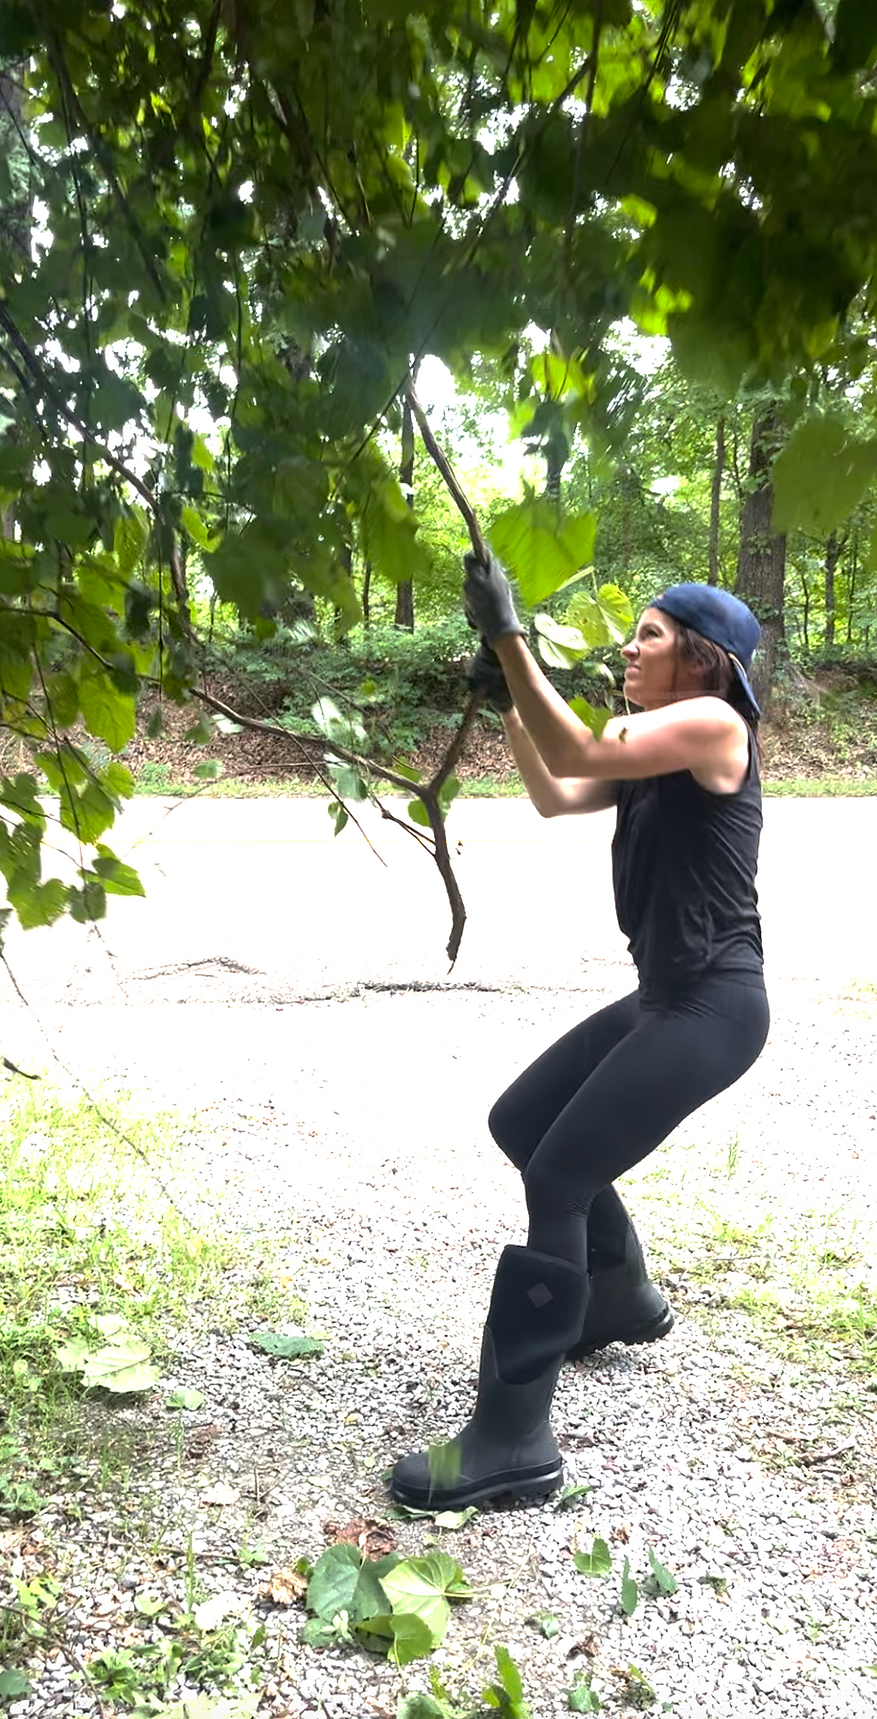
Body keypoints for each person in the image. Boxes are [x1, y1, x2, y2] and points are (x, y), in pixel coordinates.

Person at [389, 560, 770, 1511]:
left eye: (647, 636)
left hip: (713, 1007)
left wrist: (511, 638)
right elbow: (562, 786)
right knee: (522, 1124)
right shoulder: (654, 750)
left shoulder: (717, 725)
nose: (628, 650)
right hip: (664, 995)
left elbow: (588, 746)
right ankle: (620, 1294)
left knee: (558, 1178)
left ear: (703, 661)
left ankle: (513, 1441)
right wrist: (509, 698)